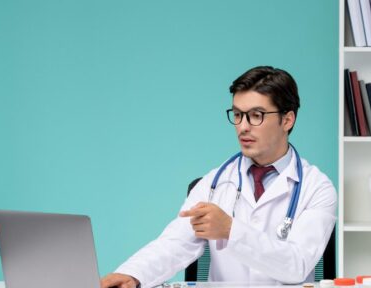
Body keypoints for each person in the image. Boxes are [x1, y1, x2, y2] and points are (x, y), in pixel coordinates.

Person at [101, 66, 337, 288]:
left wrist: (230, 230)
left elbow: (298, 265)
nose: (243, 127)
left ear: (287, 120)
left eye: (256, 115)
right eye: (237, 115)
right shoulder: (214, 183)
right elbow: (175, 243)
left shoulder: (317, 188)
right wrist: (132, 274)